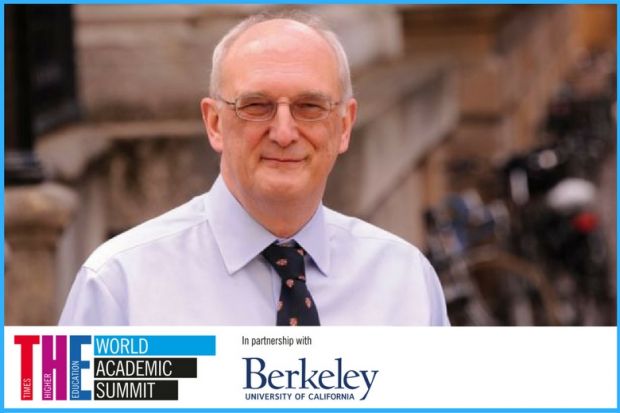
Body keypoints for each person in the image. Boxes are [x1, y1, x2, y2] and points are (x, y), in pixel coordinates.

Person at [59, 11, 450, 326]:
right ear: (214, 123)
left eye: (310, 107)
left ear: (344, 125)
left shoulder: (407, 281)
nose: (283, 132)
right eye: (256, 106)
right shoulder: (118, 286)